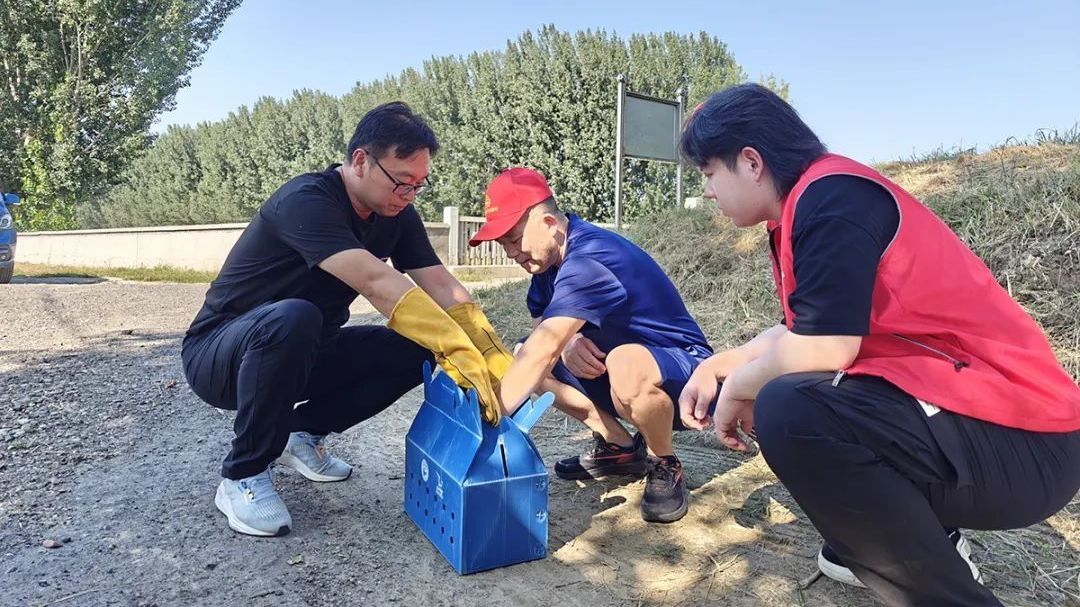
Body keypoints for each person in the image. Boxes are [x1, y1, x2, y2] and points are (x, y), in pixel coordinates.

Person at [676, 83, 1080, 605]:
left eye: (709, 173)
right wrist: (723, 364)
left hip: (1028, 442)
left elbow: (825, 346)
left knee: (790, 408)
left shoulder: (831, 199)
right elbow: (801, 328)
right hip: (998, 428)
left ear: (751, 162)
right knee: (792, 394)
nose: (708, 191)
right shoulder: (808, 202)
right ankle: (927, 539)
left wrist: (738, 388)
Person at [181, 102, 513, 538]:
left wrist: (485, 345)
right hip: (222, 354)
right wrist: (452, 342)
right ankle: (243, 473)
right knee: (295, 315)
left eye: (419, 185)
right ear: (360, 160)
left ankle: (302, 434)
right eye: (402, 182)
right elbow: (376, 282)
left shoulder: (397, 216)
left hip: (305, 351)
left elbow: (440, 283)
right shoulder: (305, 201)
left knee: (416, 349)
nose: (409, 195)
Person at [468, 167, 715, 523]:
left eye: (514, 239)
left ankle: (664, 461)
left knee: (622, 362)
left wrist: (485, 424)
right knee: (523, 352)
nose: (510, 252)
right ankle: (620, 447)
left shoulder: (590, 258)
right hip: (620, 378)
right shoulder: (546, 268)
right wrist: (570, 343)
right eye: (503, 243)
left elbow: (544, 350)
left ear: (549, 223)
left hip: (686, 380)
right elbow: (540, 338)